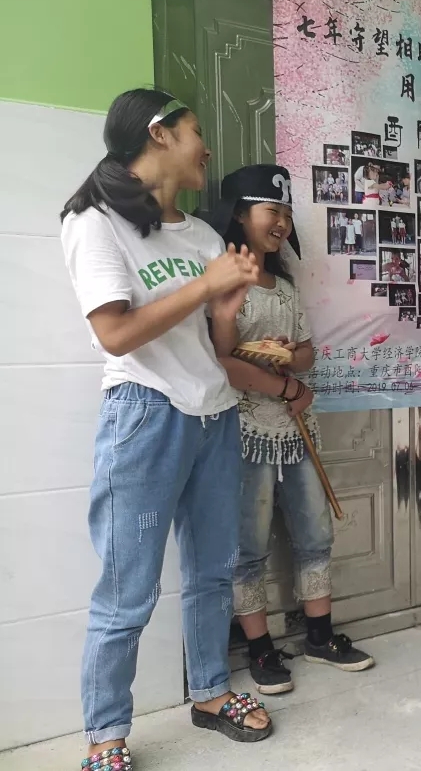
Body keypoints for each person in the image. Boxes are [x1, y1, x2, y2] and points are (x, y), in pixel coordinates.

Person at [60, 89, 272, 769]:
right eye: (196, 131)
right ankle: (106, 736)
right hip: (146, 414)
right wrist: (204, 286)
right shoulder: (94, 221)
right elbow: (116, 334)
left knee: (213, 572)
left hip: (214, 413)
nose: (206, 147)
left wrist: (225, 308)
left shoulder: (202, 236)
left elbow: (212, 343)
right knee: (128, 589)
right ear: (159, 134)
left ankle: (210, 693)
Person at [209, 164, 375, 697]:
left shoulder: (283, 287)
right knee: (249, 543)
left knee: (315, 532)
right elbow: (221, 361)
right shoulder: (218, 281)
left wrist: (289, 359)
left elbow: (306, 352)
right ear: (240, 215)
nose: (280, 222)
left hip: (297, 427)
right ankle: (260, 648)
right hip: (245, 431)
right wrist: (283, 386)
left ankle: (320, 636)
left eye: (286, 213)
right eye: (270, 211)